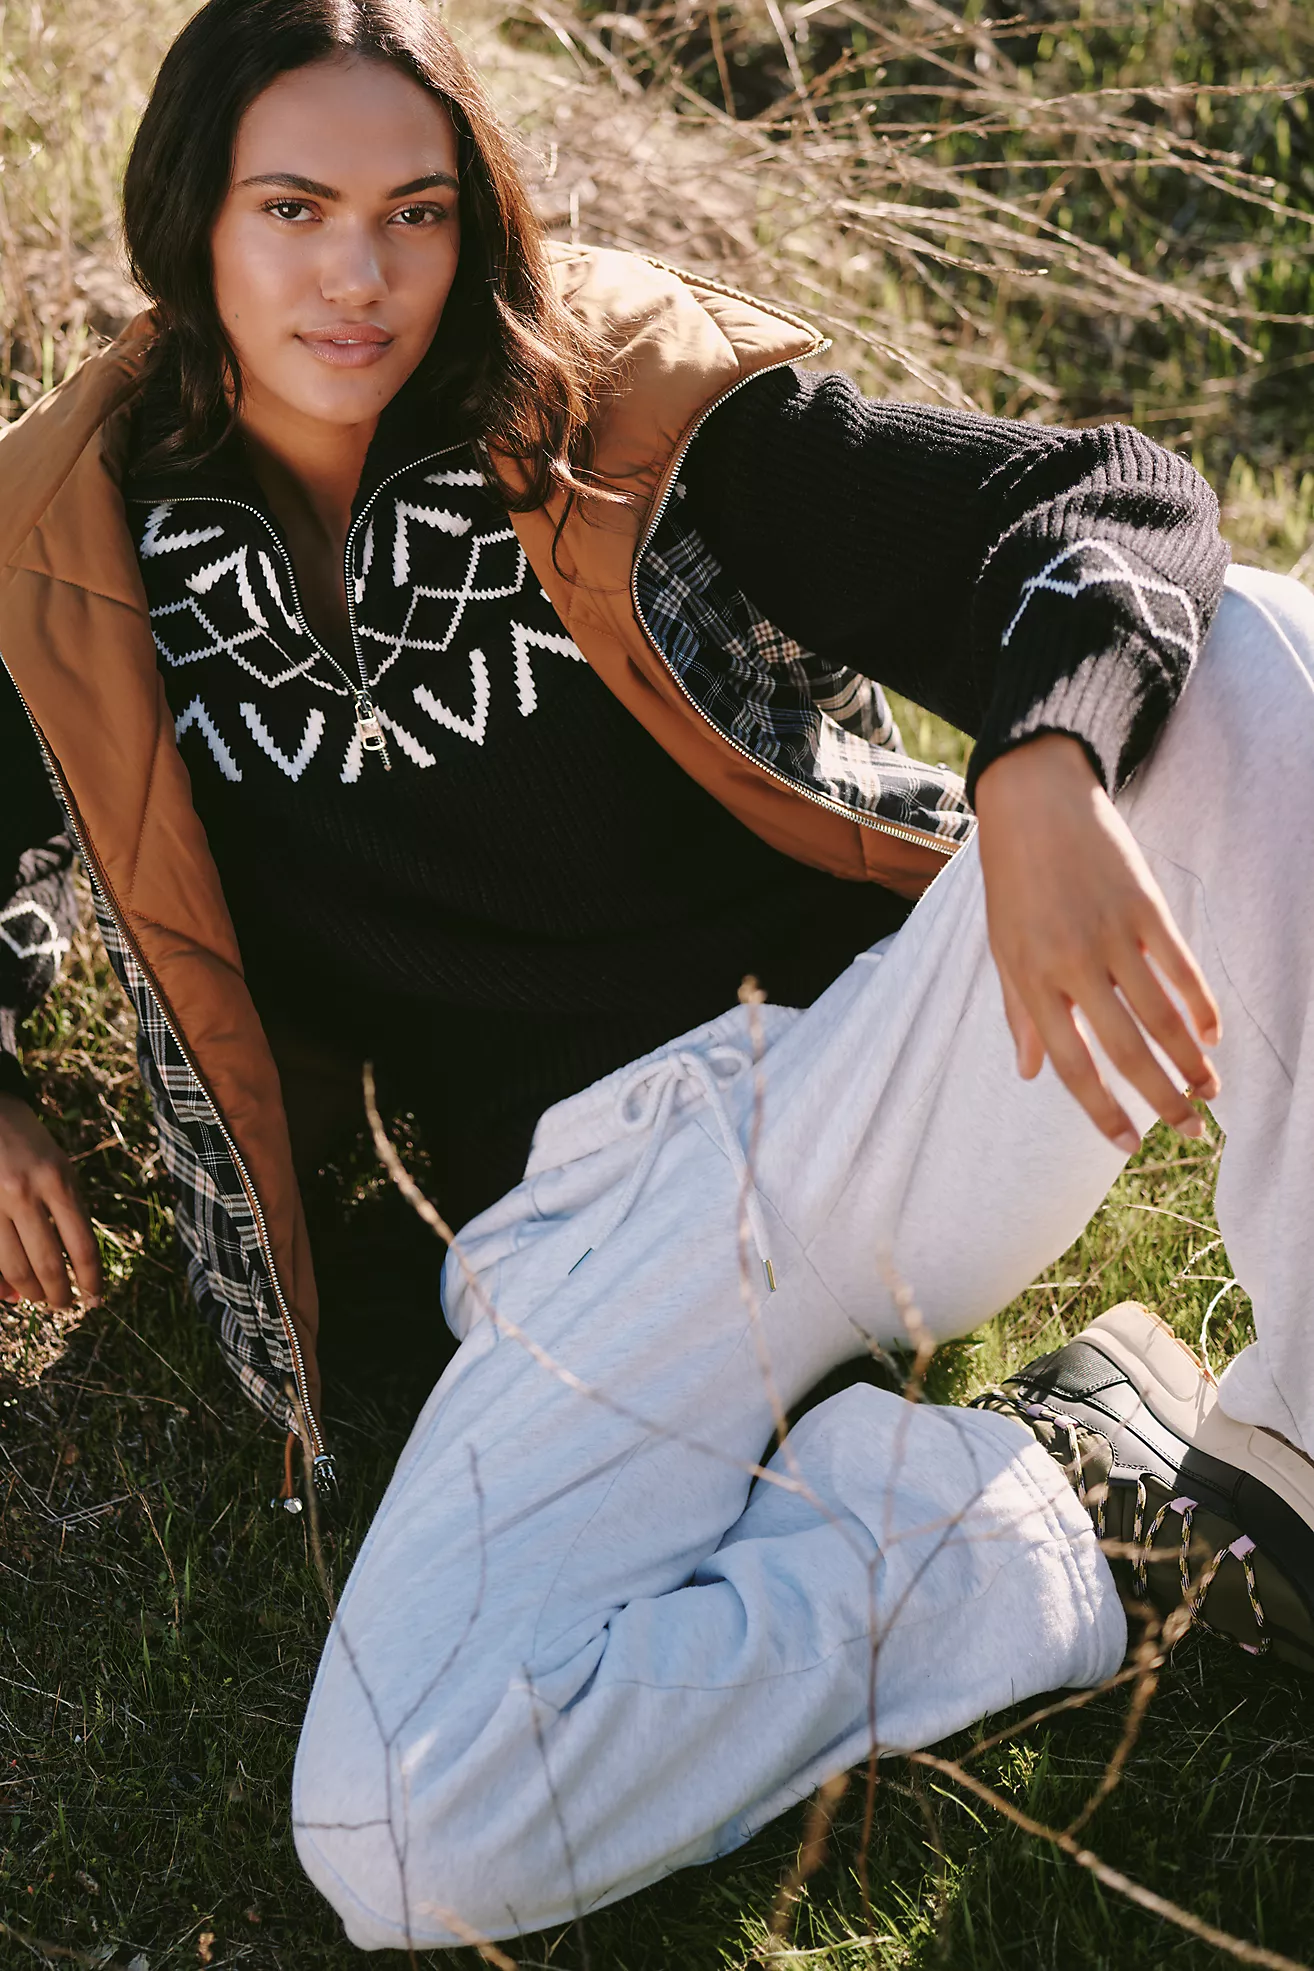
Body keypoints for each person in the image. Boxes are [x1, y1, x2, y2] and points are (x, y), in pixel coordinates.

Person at [1, 0, 1311, 1949]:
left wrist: (1042, 755)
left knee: (1258, 648)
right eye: (294, 209)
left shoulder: (608, 416)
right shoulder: (74, 544)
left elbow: (1111, 497)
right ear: (187, 219)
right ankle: (1064, 1501)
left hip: (882, 1082)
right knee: (397, 1826)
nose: (360, 275)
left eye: (416, 211)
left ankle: (1296, 1451)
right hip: (580, 1234)